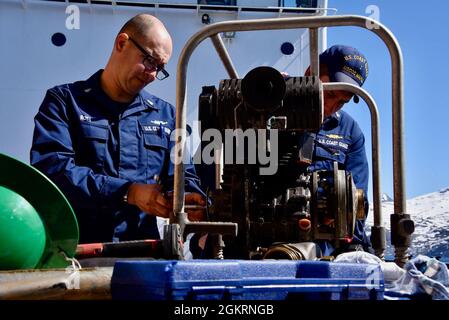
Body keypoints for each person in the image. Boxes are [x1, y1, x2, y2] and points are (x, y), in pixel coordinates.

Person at [30, 14, 206, 244]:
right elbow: (53, 171)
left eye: (160, 68)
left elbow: (183, 176)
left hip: (143, 257)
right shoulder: (64, 102)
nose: (152, 74)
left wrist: (188, 199)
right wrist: (128, 192)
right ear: (122, 43)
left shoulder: (168, 116)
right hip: (75, 253)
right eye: (150, 61)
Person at [306, 45, 371, 255]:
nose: (330, 106)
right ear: (311, 72)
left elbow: (357, 200)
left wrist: (355, 249)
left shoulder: (350, 131)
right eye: (330, 93)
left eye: (341, 102)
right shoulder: (261, 107)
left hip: (319, 248)